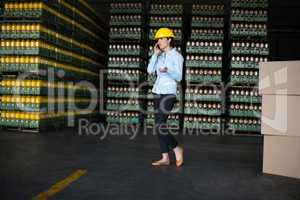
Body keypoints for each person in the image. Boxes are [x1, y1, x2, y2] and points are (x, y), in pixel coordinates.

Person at [147, 27, 184, 167]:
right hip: (157, 91)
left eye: (162, 38)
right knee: (158, 126)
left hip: (169, 92)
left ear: (169, 39)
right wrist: (155, 55)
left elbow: (179, 77)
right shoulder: (159, 56)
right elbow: (150, 70)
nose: (159, 41)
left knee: (160, 124)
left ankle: (176, 148)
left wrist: (168, 70)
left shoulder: (177, 56)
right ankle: (165, 158)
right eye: (158, 39)